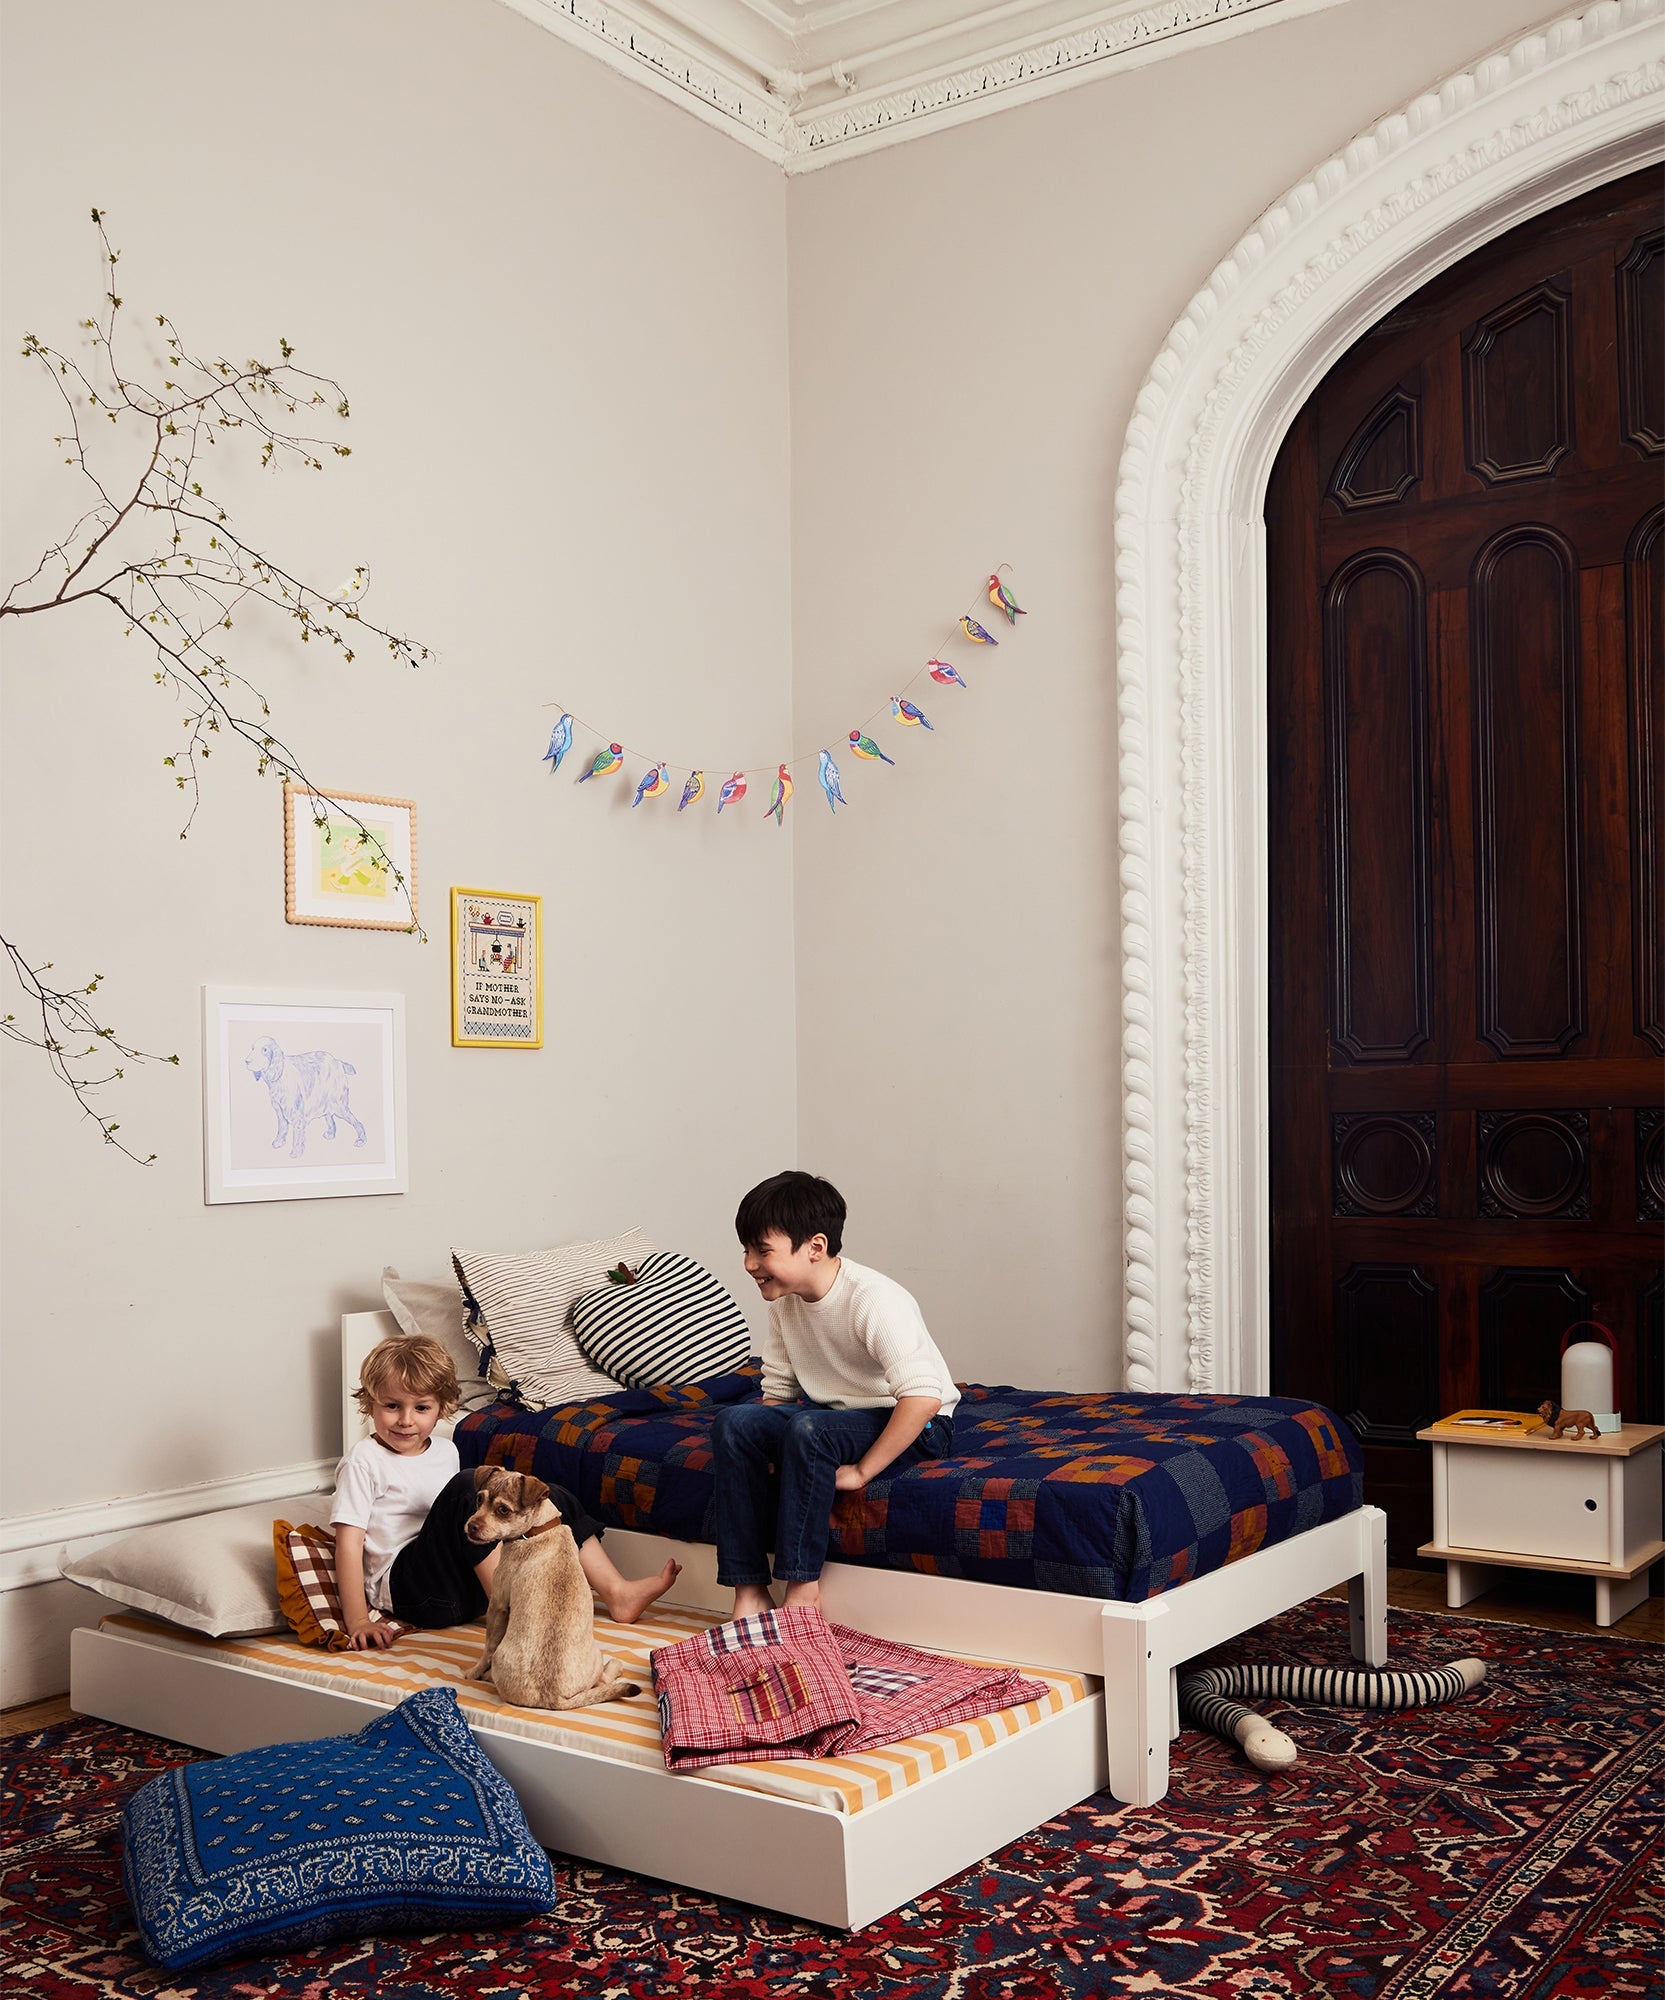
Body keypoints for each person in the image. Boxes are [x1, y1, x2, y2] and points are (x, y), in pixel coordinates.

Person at [331, 1332, 680, 1650]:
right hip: (415, 1592)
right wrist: (359, 1620)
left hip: (462, 1592)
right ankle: (513, 1613)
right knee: (471, 1487)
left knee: (546, 1494)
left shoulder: (444, 1450)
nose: (406, 1420)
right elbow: (349, 1544)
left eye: (421, 1408)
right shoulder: (364, 1460)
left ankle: (617, 1592)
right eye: (392, 1406)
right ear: (370, 1403)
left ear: (440, 1408)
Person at [714, 1170, 958, 1617]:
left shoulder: (873, 1299)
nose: (749, 1264)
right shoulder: (786, 1302)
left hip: (916, 1423)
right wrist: (762, 1444)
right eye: (746, 1250)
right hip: (838, 1417)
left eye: (762, 1251)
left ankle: (802, 1590)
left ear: (815, 1247)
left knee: (811, 1430)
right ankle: (748, 1589)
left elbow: (923, 1398)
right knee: (735, 1421)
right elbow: (779, 1393)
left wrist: (863, 1471)